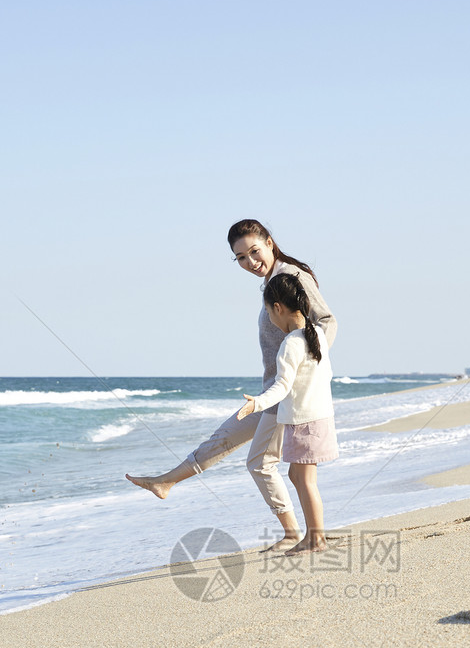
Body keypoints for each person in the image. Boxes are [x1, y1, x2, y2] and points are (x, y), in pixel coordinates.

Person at [125, 219, 337, 549]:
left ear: (269, 241)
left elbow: (326, 321)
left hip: (286, 395)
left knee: (259, 462)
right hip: (270, 390)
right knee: (225, 437)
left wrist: (308, 371)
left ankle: (297, 533)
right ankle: (166, 482)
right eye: (241, 258)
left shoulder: (291, 276)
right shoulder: (273, 278)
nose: (251, 262)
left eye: (254, 251)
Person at [236, 272, 337, 554]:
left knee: (305, 481)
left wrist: (255, 403)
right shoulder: (316, 334)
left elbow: (281, 387)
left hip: (305, 423)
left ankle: (316, 540)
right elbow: (325, 375)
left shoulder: (291, 343)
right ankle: (310, 536)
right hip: (319, 419)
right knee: (297, 476)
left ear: (277, 308)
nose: (269, 319)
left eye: (269, 312)